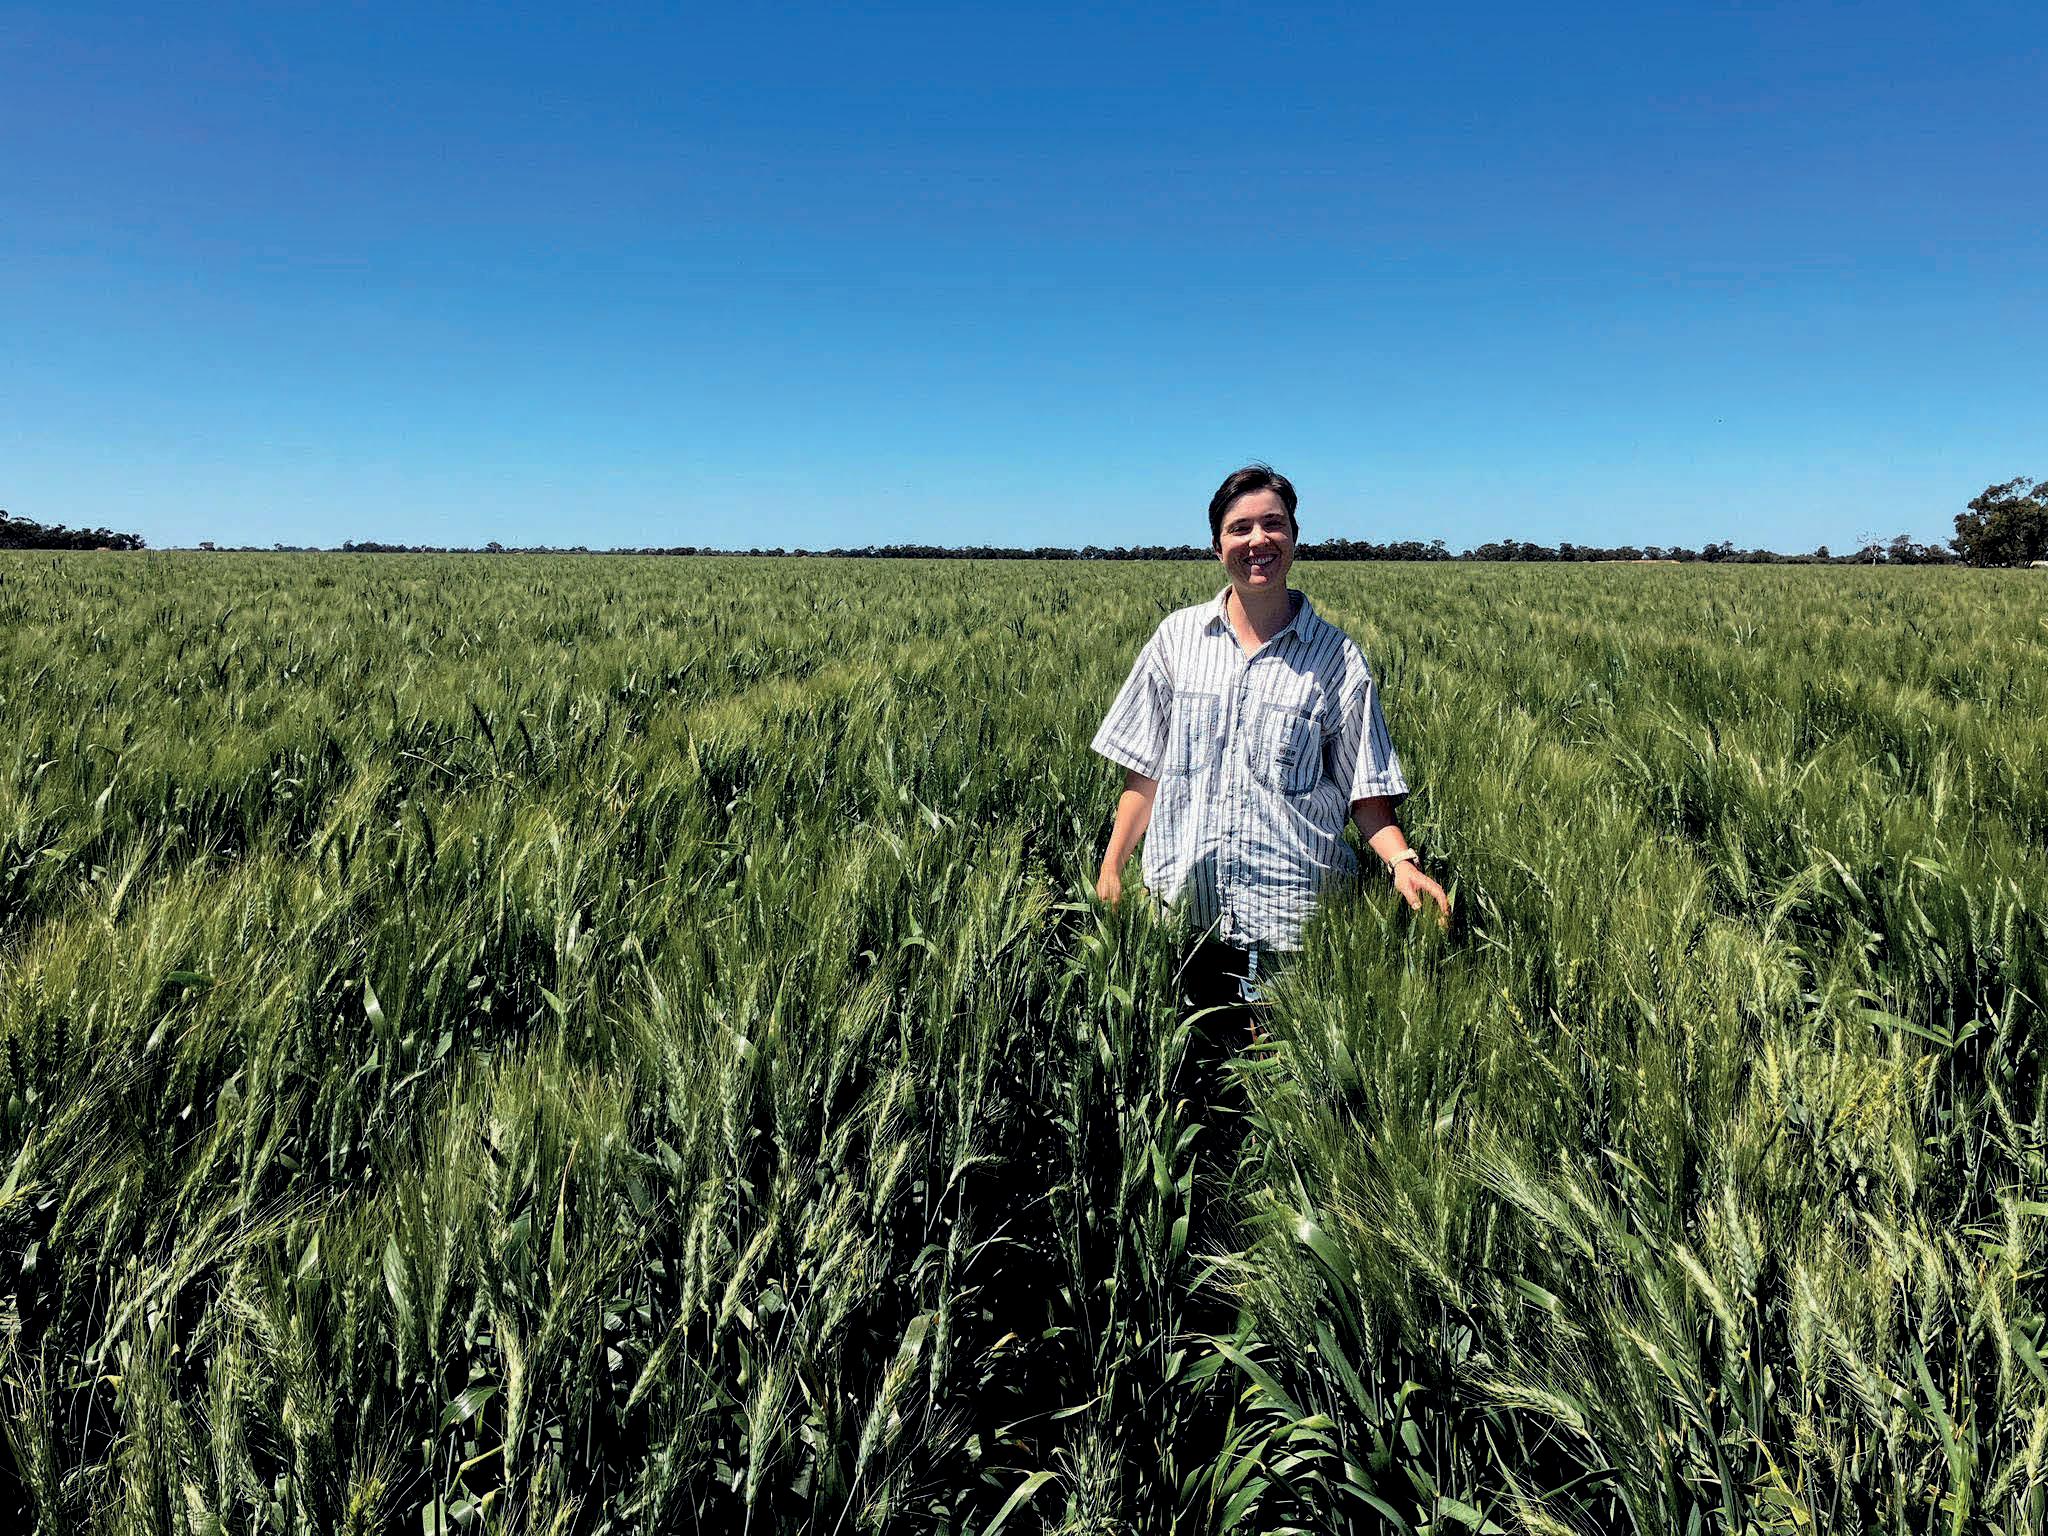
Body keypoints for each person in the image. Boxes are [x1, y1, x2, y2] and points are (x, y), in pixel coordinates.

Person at [1090, 464, 1449, 1107]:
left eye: (1272, 524)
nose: (1258, 540)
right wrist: (1114, 864)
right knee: (1188, 1106)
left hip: (1293, 935)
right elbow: (1144, 771)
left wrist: (1402, 863)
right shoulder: (1176, 639)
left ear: (1294, 537)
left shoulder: (1338, 659)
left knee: (1288, 1112)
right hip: (1185, 926)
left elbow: (1365, 790)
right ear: (1217, 545)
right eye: (1240, 528)